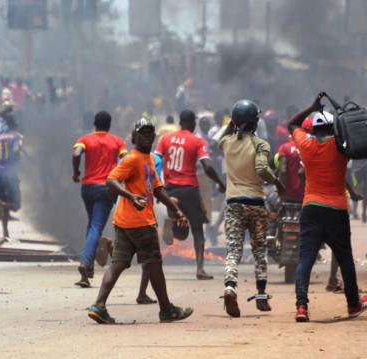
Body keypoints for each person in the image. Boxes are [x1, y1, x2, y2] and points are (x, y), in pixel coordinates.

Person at [287, 93, 367, 322]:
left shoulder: (305, 143)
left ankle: (301, 307)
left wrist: (311, 107)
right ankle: (353, 304)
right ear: (335, 129)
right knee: (344, 257)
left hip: (311, 208)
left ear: (314, 130)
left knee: (305, 258)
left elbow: (293, 123)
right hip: (336, 209)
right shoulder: (342, 146)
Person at [87, 117, 193, 324]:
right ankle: (166, 310)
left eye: (149, 132)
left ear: (154, 135)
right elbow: (110, 180)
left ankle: (98, 306)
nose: (146, 135)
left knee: (118, 263)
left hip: (124, 222)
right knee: (154, 264)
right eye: (141, 132)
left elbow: (158, 188)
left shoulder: (151, 159)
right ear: (134, 136)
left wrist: (176, 210)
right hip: (140, 221)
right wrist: (130, 196)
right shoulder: (132, 159)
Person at [219, 100, 284, 318]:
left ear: (235, 122)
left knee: (234, 249)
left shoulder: (227, 142)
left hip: (234, 204)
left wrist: (234, 123)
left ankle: (230, 287)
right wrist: (277, 182)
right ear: (256, 122)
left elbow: (220, 137)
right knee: (259, 250)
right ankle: (262, 296)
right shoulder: (261, 144)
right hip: (256, 202)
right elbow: (260, 168)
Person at [155, 110, 226, 280]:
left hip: (171, 189)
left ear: (180, 122)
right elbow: (207, 166)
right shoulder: (197, 140)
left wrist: (156, 185)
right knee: (197, 227)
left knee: (177, 224)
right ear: (193, 124)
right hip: (191, 190)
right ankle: (200, 269)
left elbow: (156, 160)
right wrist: (221, 183)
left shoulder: (165, 139)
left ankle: (171, 223)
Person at [72, 111, 128, 288]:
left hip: (87, 187)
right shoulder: (117, 141)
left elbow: (76, 154)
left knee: (92, 225)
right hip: (106, 188)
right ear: (109, 125)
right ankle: (85, 261)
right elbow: (125, 159)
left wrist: (76, 172)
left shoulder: (85, 139)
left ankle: (87, 271)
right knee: (96, 226)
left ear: (94, 123)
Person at [0, 114, 23, 238]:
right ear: (14, 124)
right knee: (16, 205)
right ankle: (2, 205)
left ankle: (5, 232)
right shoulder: (17, 136)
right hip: (10, 173)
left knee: (2, 201)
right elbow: (17, 148)